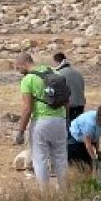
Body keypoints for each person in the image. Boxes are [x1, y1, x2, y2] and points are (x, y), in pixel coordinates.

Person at [14, 51, 69, 186]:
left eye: (18, 67)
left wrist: (21, 131)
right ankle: (64, 190)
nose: (18, 71)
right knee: (61, 157)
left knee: (40, 158)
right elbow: (66, 100)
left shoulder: (28, 80)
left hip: (41, 121)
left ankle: (44, 194)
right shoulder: (54, 73)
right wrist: (65, 120)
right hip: (60, 120)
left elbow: (27, 108)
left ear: (24, 63)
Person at [69, 101, 101, 170]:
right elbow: (88, 144)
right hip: (73, 139)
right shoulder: (90, 123)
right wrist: (94, 159)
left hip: (85, 140)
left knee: (90, 164)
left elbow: (96, 138)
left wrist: (98, 151)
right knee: (82, 166)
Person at [54, 51, 86, 122]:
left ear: (56, 62)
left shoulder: (59, 74)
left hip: (68, 107)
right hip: (80, 105)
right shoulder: (78, 73)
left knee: (68, 129)